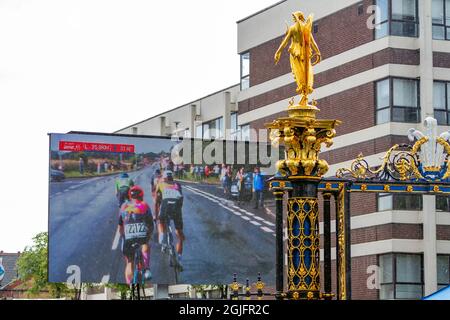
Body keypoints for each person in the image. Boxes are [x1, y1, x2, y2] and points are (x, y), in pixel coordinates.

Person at [274, 11, 321, 104]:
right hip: (305, 53)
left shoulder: (293, 28)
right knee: (304, 72)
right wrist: (318, 52)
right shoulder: (306, 28)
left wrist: (278, 52)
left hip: (296, 53)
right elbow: (312, 42)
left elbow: (285, 42)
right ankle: (304, 92)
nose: (293, 18)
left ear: (298, 17)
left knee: (298, 72)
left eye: (294, 16)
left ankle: (303, 92)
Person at [118, 186, 154, 284]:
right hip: (141, 235)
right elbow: (150, 224)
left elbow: (120, 226)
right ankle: (146, 269)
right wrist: (149, 236)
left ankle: (129, 284)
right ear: (141, 195)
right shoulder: (145, 205)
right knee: (145, 245)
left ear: (130, 195)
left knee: (129, 262)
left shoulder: (124, 206)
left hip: (128, 237)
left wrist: (124, 237)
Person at [155, 170, 184, 268]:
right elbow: (181, 200)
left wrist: (156, 216)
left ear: (164, 178)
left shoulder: (161, 184)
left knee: (160, 221)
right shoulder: (178, 185)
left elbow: (156, 201)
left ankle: (162, 238)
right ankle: (180, 258)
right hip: (176, 208)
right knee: (179, 234)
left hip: (166, 205)